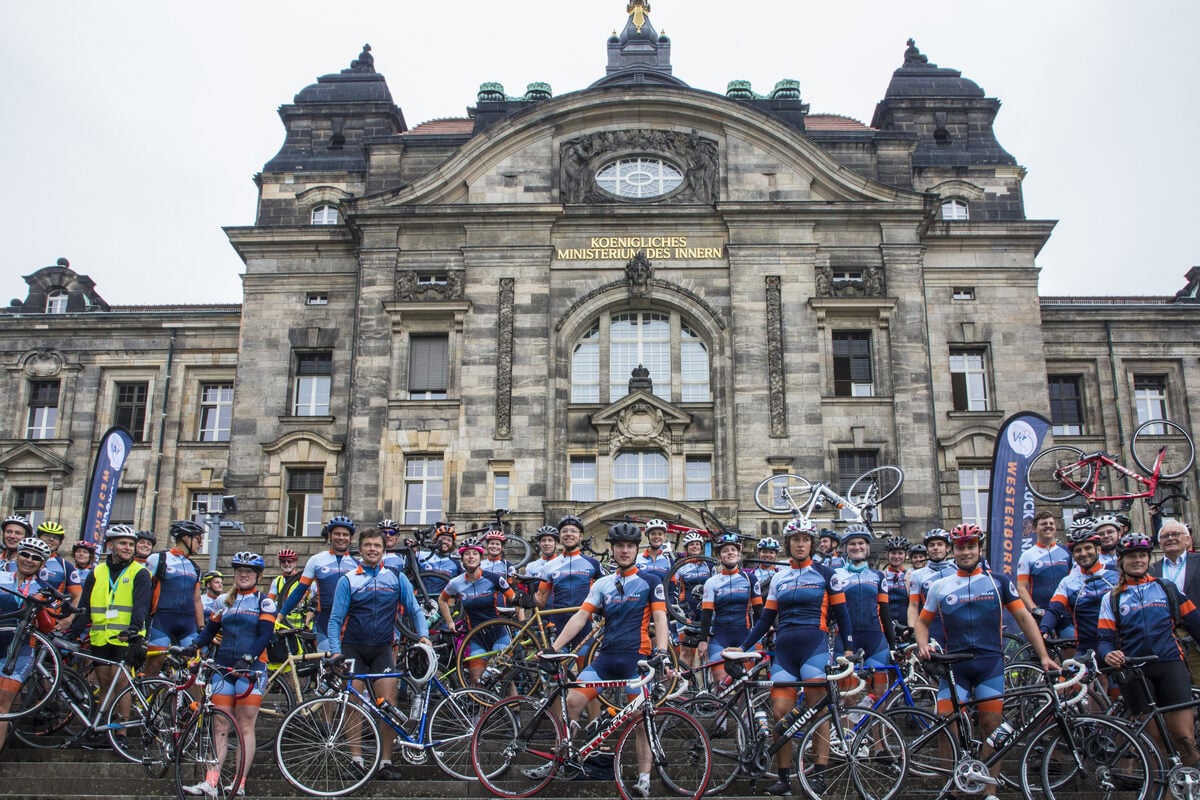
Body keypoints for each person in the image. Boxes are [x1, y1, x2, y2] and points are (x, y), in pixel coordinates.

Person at [917, 523, 1058, 790]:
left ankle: (989, 788)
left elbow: (1024, 618)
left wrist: (1043, 656)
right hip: (954, 666)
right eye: (960, 547)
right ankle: (952, 786)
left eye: (971, 546)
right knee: (946, 724)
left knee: (991, 725)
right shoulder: (940, 585)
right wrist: (923, 644)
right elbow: (922, 623)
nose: (966, 552)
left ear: (979, 548)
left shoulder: (998, 581)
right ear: (953, 551)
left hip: (989, 663)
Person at [542, 522, 673, 799]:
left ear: (637, 549)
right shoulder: (603, 583)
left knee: (639, 719)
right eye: (620, 546)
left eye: (630, 546)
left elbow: (661, 617)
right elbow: (580, 617)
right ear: (612, 550)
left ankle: (644, 778)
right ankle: (559, 760)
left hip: (636, 660)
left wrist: (661, 651)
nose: (625, 551)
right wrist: (553, 647)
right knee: (572, 702)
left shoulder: (650, 581)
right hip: (605, 660)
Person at [738, 516, 855, 796]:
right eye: (795, 539)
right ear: (788, 544)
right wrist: (743, 647)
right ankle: (783, 778)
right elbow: (765, 620)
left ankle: (820, 774)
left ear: (812, 543)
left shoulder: (827, 574)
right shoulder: (780, 577)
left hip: (814, 648)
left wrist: (848, 648)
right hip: (785, 651)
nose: (800, 544)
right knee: (780, 714)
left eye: (805, 539)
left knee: (819, 712)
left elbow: (842, 614)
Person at [327, 527, 432, 781]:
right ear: (360, 550)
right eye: (368, 545)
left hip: (384, 648)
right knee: (353, 703)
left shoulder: (396, 577)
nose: (372, 549)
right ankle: (357, 760)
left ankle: (385, 761)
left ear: (384, 550)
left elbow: (415, 610)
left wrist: (424, 635)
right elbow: (335, 619)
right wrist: (334, 650)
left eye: (377, 545)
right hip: (353, 647)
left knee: (389, 706)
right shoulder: (349, 579)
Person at [1099, 532, 1200, 767]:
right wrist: (1107, 653)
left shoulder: (1167, 588)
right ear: (1121, 561)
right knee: (1153, 744)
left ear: (1148, 559)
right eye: (1131, 556)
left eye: (1142, 555)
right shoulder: (1112, 598)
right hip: (1134, 673)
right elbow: (1104, 640)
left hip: (1170, 664)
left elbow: (1195, 623)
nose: (1138, 560)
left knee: (1185, 739)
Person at [181, 552, 276, 797]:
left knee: (245, 725)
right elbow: (210, 630)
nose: (243, 574)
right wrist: (194, 646)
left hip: (251, 670)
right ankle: (211, 783)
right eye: (239, 570)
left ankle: (239, 783)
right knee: (219, 724)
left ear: (258, 576)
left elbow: (265, 635)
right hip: (223, 669)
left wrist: (250, 657)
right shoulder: (224, 600)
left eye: (249, 571)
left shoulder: (264, 602)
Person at [68, 525, 152, 746]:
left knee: (121, 683)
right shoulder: (97, 572)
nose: (128, 548)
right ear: (110, 545)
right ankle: (105, 728)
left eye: (131, 544)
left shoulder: (140, 572)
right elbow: (84, 606)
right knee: (104, 685)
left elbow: (142, 605)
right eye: (123, 543)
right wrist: (73, 633)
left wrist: (134, 629)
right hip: (100, 637)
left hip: (127, 637)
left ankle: (121, 732)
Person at [0, 537, 57, 749]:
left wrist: (41, 607)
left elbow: (48, 628)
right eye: (25, 554)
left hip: (19, 652)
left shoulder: (43, 588)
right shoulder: (2, 577)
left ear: (42, 564)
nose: (29, 560)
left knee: (2, 706)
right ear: (18, 555)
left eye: (36, 558)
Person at [438, 538, 516, 686]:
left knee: (503, 678)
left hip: (498, 633)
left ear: (481, 558)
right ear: (462, 559)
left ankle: (513, 707)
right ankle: (482, 710)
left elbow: (514, 599)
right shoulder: (456, 583)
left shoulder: (494, 578)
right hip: (475, 636)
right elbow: (442, 600)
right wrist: (449, 622)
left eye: (475, 553)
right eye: (467, 554)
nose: (471, 557)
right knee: (477, 682)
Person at [277, 516, 359, 651]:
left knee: (349, 667)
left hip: (351, 621)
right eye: (337, 534)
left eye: (345, 534)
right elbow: (300, 589)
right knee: (327, 664)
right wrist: (280, 616)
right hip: (324, 620)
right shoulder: (316, 560)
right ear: (330, 535)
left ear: (351, 538)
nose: (341, 537)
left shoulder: (357, 564)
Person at [833, 525, 896, 700]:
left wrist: (893, 645)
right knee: (847, 696)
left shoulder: (878, 576)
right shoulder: (837, 575)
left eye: (861, 543)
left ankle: (874, 727)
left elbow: (885, 611)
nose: (857, 547)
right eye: (852, 543)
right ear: (846, 548)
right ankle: (849, 728)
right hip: (846, 642)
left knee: (878, 695)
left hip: (875, 640)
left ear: (867, 547)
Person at [1040, 526, 1118, 659]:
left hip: (1117, 645)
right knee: (1073, 677)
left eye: (1088, 548)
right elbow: (1055, 608)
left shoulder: (1114, 576)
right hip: (1086, 646)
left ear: (1098, 549)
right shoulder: (1068, 582)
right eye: (1078, 550)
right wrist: (1044, 629)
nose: (1083, 553)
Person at [143, 520, 207, 676]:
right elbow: (144, 592)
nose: (201, 543)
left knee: (194, 668)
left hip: (188, 622)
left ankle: (195, 701)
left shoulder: (195, 567)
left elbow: (197, 599)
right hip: (162, 620)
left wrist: (202, 628)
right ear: (186, 538)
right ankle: (144, 698)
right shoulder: (158, 559)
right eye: (198, 539)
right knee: (155, 663)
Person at [696, 533, 761, 683]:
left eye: (733, 550)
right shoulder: (712, 582)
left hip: (745, 636)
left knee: (746, 685)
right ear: (720, 557)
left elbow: (759, 611)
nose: (730, 552)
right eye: (725, 551)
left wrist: (769, 631)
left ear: (739, 554)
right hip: (719, 636)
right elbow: (706, 614)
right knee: (721, 681)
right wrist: (703, 640)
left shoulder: (750, 579)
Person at [534, 515, 604, 652]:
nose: (569, 534)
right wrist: (524, 597)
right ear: (559, 536)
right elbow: (541, 601)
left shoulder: (593, 564)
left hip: (584, 621)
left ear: (581, 536)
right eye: (565, 531)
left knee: (583, 666)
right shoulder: (549, 566)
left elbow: (607, 590)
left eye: (573, 531)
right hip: (557, 622)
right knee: (558, 669)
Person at [1149, 519, 1200, 683]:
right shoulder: (1151, 570)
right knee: (1177, 686)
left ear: (1188, 539)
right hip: (1167, 636)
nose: (1170, 538)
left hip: (1196, 632)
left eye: (1175, 534)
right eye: (1165, 536)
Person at [1017, 511, 1073, 631]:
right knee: (1044, 649)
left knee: (1070, 648)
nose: (1048, 526)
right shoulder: (1027, 555)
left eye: (1051, 523)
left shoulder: (1067, 552)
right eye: (1043, 524)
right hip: (1042, 613)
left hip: (1065, 611)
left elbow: (1074, 580)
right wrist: (1034, 609)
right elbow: (1021, 588)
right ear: (1034, 529)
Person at [907, 528, 955, 646]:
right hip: (931, 626)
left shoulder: (958, 570)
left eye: (940, 544)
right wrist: (913, 629)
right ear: (927, 549)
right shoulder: (917, 575)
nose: (935, 547)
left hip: (956, 625)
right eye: (931, 545)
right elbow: (913, 605)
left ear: (947, 548)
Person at [673, 530, 713, 669]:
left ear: (701, 547)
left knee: (707, 648)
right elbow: (672, 586)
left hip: (706, 610)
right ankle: (687, 685)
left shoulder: (709, 565)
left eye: (697, 544)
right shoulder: (680, 565)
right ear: (686, 548)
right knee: (686, 650)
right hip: (687, 609)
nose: (695, 546)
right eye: (692, 545)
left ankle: (709, 686)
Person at [267, 548, 307, 631]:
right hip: (283, 624)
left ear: (295, 563)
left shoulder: (304, 579)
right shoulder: (277, 581)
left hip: (302, 624)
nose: (286, 564)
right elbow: (269, 601)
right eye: (283, 561)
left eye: (289, 561)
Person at [417, 522, 462, 598]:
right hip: (422, 600)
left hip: (443, 604)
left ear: (452, 544)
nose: (445, 542)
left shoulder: (455, 564)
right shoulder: (421, 556)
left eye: (449, 540)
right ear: (436, 540)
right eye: (442, 539)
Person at [881, 535, 911, 631]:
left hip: (906, 623)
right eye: (893, 553)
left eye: (900, 553)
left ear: (906, 555)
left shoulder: (911, 576)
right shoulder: (880, 576)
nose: (896, 556)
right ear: (887, 555)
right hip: (884, 623)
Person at [34, 520, 69, 594]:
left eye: (55, 537)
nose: (51, 539)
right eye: (46, 535)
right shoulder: (24, 559)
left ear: (60, 543)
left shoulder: (66, 566)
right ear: (38, 537)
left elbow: (77, 595)